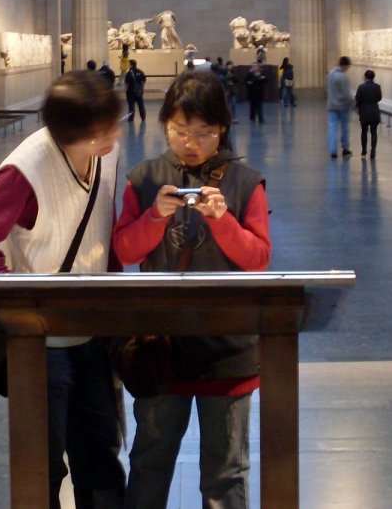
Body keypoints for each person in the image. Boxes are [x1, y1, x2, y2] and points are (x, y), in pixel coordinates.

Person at [0, 71, 126, 509]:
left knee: (101, 454)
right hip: (42, 344)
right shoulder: (25, 169)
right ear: (74, 132)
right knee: (44, 461)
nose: (115, 133)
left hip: (91, 332)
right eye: (104, 128)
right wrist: (17, 310)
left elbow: (101, 227)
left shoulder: (104, 153)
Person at [113, 70, 272, 509]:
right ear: (165, 124)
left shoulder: (245, 182)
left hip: (229, 346)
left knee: (225, 473)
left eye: (204, 132)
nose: (191, 142)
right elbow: (125, 249)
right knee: (150, 463)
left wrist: (223, 221)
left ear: (222, 129)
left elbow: (257, 258)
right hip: (161, 344)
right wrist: (154, 217)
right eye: (181, 130)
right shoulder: (144, 179)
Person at [327, 56, 354, 158]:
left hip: (332, 106)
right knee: (344, 128)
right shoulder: (343, 77)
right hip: (342, 107)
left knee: (333, 128)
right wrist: (353, 104)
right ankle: (345, 148)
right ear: (345, 65)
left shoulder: (330, 74)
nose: (348, 69)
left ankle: (333, 150)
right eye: (348, 66)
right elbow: (347, 94)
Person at [355, 69, 383, 159]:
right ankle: (373, 150)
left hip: (364, 112)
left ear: (365, 77)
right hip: (374, 112)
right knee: (374, 132)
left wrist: (358, 106)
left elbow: (357, 98)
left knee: (364, 131)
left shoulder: (361, 87)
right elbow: (379, 98)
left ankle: (364, 150)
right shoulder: (377, 86)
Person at [124, 58, 147, 123]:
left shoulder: (129, 73)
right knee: (141, 105)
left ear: (131, 65)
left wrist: (126, 91)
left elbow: (126, 84)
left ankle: (131, 119)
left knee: (131, 106)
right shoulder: (140, 71)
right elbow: (144, 80)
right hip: (139, 92)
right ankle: (143, 117)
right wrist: (141, 88)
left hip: (131, 92)